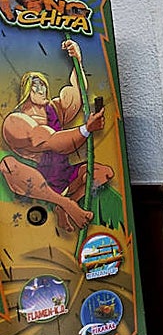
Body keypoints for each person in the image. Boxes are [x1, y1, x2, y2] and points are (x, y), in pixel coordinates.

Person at [1, 39, 111, 232]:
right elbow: (53, 142)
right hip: (39, 181)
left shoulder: (54, 109)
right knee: (8, 165)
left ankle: (65, 205)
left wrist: (77, 60)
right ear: (26, 90)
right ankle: (65, 204)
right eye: (36, 86)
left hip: (64, 173)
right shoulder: (15, 121)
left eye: (43, 86)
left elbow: (76, 93)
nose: (41, 90)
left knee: (104, 172)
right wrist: (86, 129)